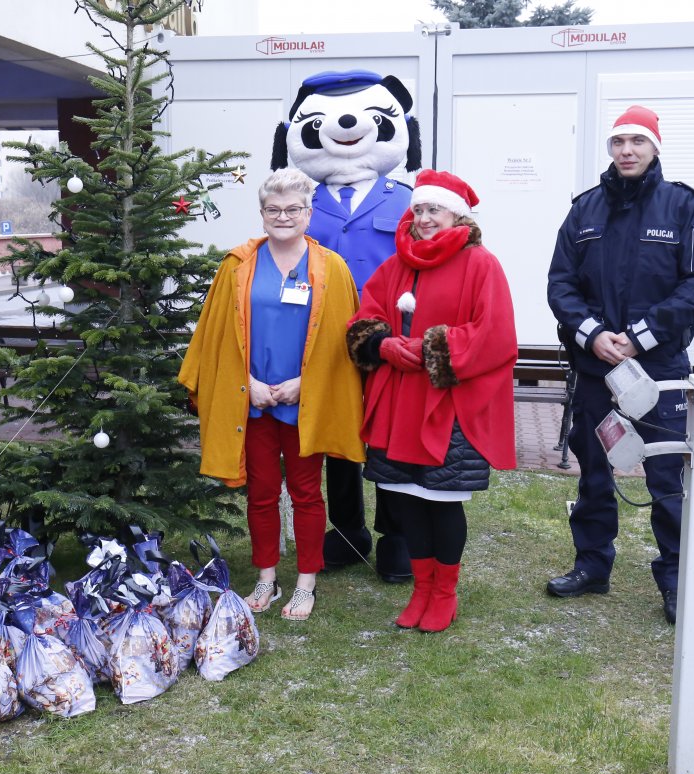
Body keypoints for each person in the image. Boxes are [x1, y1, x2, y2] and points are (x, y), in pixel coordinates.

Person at [546, 105, 694, 625]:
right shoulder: (585, 210)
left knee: (666, 475)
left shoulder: (684, 207)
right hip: (597, 368)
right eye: (618, 142)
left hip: (659, 368)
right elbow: (561, 283)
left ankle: (676, 581)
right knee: (595, 469)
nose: (626, 150)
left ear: (655, 148)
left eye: (637, 142)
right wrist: (592, 334)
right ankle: (592, 565)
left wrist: (642, 336)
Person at [178, 168, 365, 622]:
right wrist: (248, 383)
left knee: (306, 492)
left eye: (293, 209)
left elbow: (343, 344)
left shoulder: (332, 269)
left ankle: (305, 584)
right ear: (262, 213)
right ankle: (266, 577)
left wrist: (309, 383)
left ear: (308, 212)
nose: (284, 217)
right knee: (260, 493)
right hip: (254, 400)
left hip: (306, 400)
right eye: (274, 209)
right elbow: (219, 337)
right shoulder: (237, 266)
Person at [347, 169, 517, 633]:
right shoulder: (396, 264)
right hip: (399, 401)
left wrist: (426, 349)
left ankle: (444, 593)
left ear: (456, 215)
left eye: (433, 210)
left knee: (441, 501)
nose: (423, 218)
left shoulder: (481, 264)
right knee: (404, 500)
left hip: (446, 402)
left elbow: (495, 334)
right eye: (418, 209)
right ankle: (421, 588)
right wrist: (381, 344)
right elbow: (367, 315)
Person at [271, 69, 422, 582]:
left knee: (387, 437)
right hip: (324, 344)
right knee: (335, 435)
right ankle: (348, 529)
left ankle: (395, 534)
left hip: (387, 343)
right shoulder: (301, 205)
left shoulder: (406, 202)